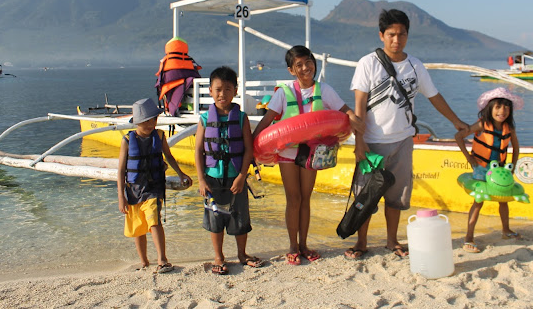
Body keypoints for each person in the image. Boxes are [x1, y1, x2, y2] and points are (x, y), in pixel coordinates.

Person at [346, 9, 468, 260]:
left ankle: (392, 240)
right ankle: (361, 242)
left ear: (407, 35)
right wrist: (359, 142)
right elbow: (359, 107)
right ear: (381, 35)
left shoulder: (415, 65)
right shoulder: (368, 63)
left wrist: (456, 121)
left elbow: (434, 96)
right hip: (372, 142)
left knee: (397, 196)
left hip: (403, 140)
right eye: (391, 34)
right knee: (365, 196)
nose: (396, 39)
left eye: (401, 34)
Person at [253, 45, 364, 265]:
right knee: (293, 199)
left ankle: (304, 244)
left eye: (309, 62)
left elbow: (345, 112)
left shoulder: (325, 90)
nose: (306, 68)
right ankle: (293, 246)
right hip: (288, 152)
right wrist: (253, 149)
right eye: (299, 65)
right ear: (291, 70)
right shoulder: (283, 93)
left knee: (306, 199)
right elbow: (266, 122)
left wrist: (356, 126)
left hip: (313, 152)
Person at [194, 66, 263, 275]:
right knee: (215, 218)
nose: (222, 94)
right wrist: (201, 180)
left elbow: (249, 149)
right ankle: (219, 256)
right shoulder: (205, 120)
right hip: (212, 179)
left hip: (236, 178)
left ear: (235, 91)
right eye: (218, 89)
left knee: (240, 219)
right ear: (210, 91)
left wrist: (242, 176)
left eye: (227, 89)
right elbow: (198, 151)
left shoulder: (241, 118)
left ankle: (242, 254)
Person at [117, 98, 191, 273]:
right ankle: (144, 261)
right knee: (138, 227)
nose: (151, 124)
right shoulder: (127, 140)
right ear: (137, 122)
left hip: (154, 187)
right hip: (134, 190)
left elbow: (169, 157)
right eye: (146, 121)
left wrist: (181, 174)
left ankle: (162, 259)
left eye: (153, 120)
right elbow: (121, 170)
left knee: (154, 220)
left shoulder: (159, 136)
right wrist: (121, 197)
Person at [454, 87, 523, 253]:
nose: (502, 111)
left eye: (506, 107)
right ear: (489, 108)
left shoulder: (509, 128)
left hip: (500, 171)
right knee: (478, 202)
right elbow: (458, 137)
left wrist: (512, 166)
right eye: (498, 107)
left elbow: (516, 147)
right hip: (481, 170)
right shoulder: (482, 125)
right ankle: (468, 238)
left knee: (504, 200)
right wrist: (469, 158)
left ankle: (506, 231)